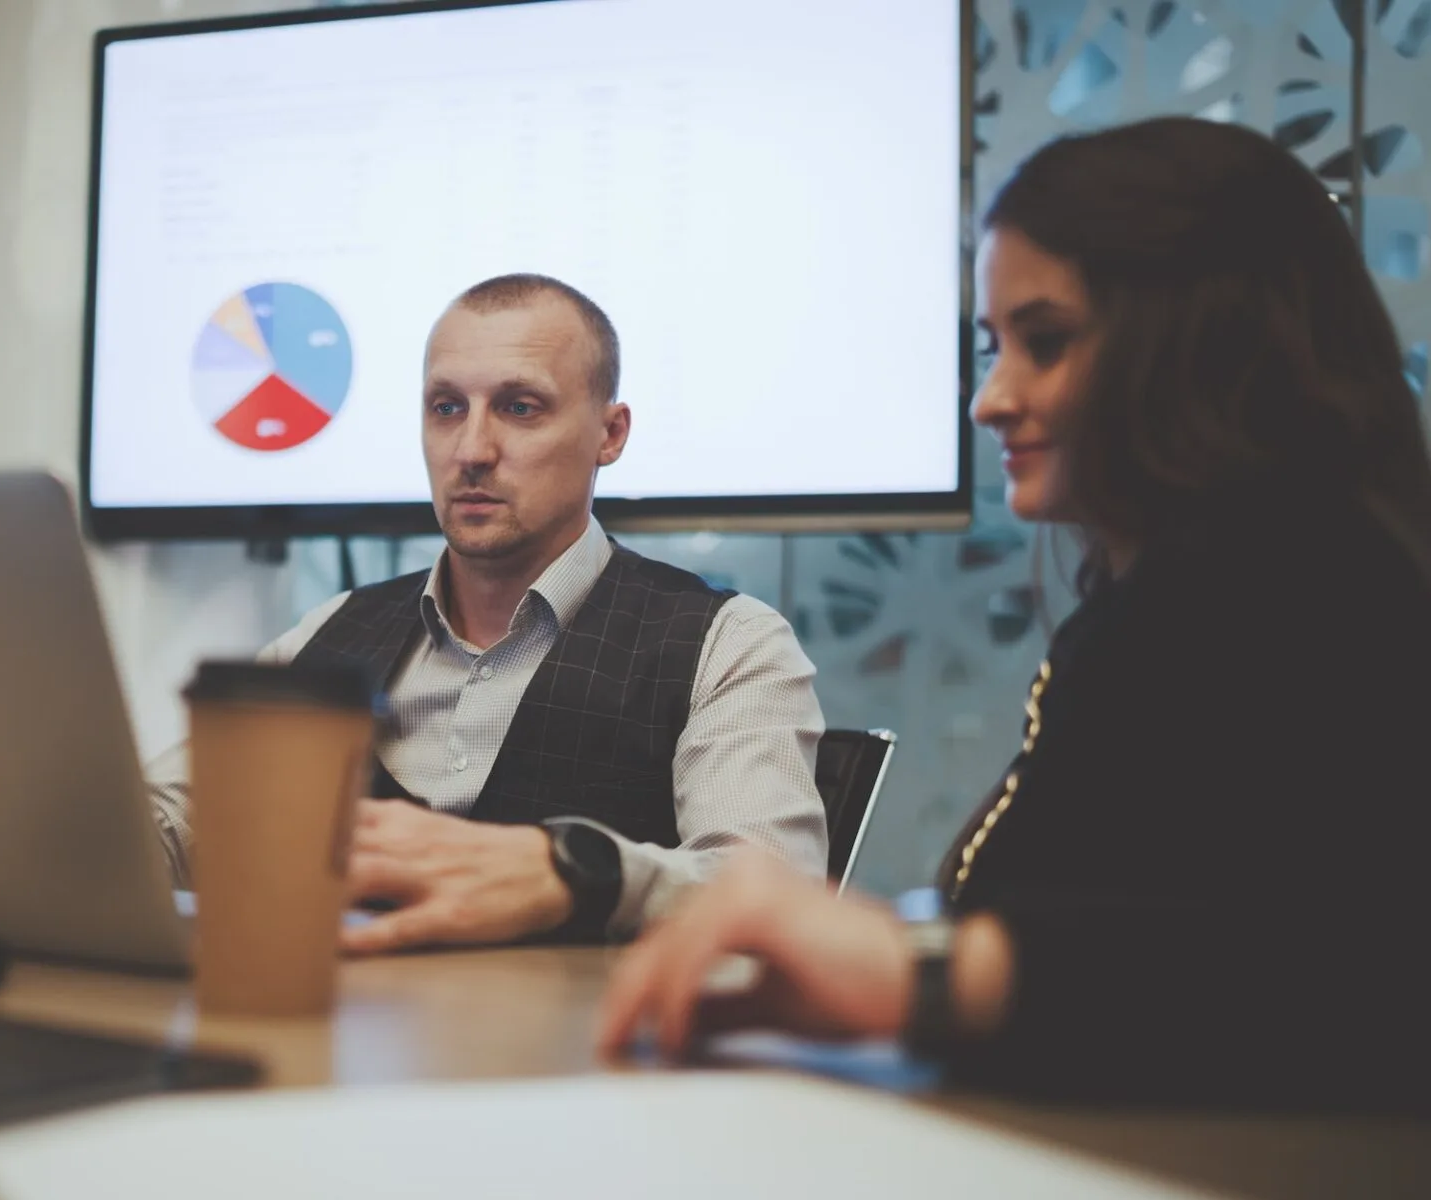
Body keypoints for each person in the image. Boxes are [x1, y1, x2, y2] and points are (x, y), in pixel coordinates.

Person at [597, 117, 1431, 1109]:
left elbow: (1331, 973)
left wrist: (920, 973)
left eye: (1047, 342)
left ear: (1208, 342)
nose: (991, 399)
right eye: (995, 346)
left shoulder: (1319, 593)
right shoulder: (1162, 600)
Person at [150, 274, 828, 955]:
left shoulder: (727, 644)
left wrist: (578, 872)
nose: (471, 450)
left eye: (520, 407)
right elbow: (172, 826)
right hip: (346, 1047)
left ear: (610, 433)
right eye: (446, 407)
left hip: (589, 1054)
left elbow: (770, 896)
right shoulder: (329, 633)